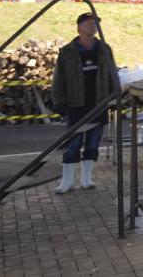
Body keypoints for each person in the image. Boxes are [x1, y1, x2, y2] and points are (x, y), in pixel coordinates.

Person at [51, 13, 118, 193]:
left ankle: (86, 179)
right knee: (73, 144)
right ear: (80, 27)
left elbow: (112, 74)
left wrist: (115, 97)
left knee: (93, 143)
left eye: (95, 23)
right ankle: (67, 182)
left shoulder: (104, 48)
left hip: (99, 103)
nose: (93, 26)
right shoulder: (67, 51)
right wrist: (59, 100)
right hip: (76, 103)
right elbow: (59, 78)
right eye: (89, 23)